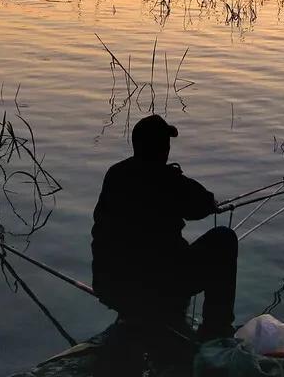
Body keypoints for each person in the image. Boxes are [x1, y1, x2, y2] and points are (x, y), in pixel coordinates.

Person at [91, 114, 238, 340]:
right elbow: (203, 203)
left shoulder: (115, 175)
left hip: (112, 287)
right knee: (224, 239)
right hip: (157, 286)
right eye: (166, 143)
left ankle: (136, 314)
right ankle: (216, 331)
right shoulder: (167, 180)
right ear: (162, 149)